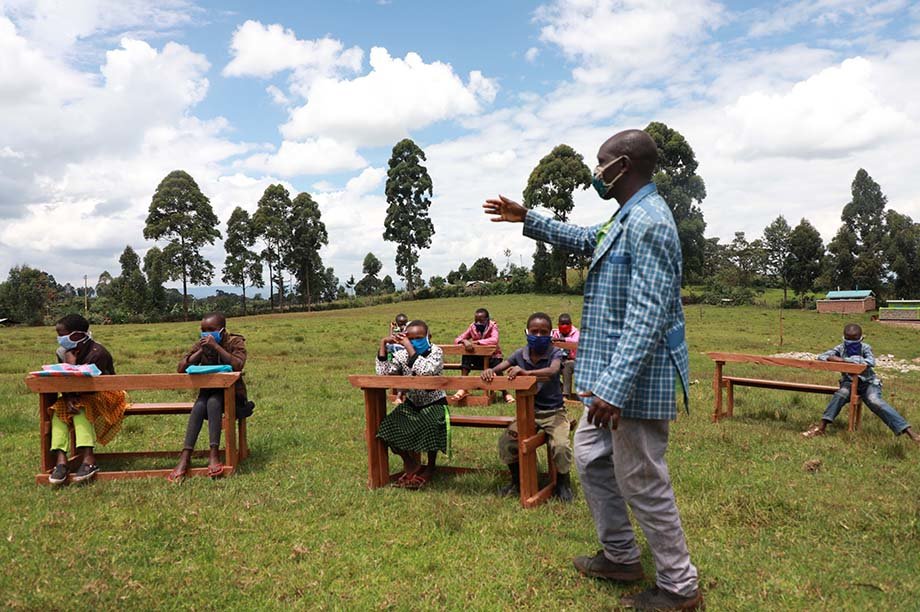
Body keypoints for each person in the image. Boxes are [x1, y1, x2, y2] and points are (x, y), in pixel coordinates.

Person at [484, 129, 701, 610]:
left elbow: (649, 313)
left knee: (643, 477)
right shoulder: (625, 217)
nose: (595, 171)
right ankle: (621, 555)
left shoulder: (651, 223)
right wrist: (530, 219)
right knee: (589, 454)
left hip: (636, 381)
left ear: (622, 166)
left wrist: (616, 390)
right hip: (609, 378)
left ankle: (680, 588)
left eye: (600, 163)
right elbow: (587, 238)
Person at [482, 312, 574, 502]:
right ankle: (517, 482)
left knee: (561, 446)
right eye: (534, 331)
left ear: (550, 334)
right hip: (528, 413)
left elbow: (552, 371)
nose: (538, 336)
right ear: (527, 332)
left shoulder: (555, 353)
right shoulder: (520, 354)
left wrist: (526, 372)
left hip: (553, 413)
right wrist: (490, 371)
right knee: (507, 442)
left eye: (543, 332)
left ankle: (563, 483)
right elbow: (502, 366)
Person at [168, 312, 252, 482]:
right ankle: (185, 456)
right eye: (203, 330)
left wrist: (217, 347)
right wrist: (200, 351)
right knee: (200, 405)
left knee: (213, 402)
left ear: (221, 331)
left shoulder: (235, 342)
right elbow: (181, 368)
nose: (206, 334)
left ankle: (214, 454)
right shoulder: (201, 345)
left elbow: (237, 365)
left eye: (211, 330)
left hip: (234, 398)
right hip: (206, 396)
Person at [803, 323, 920, 443]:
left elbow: (870, 362)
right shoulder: (840, 348)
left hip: (868, 384)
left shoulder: (865, 348)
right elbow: (822, 356)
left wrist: (845, 360)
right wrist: (831, 358)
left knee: (875, 401)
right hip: (849, 382)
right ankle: (821, 427)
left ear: (861, 338)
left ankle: (909, 432)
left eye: (854, 339)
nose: (850, 342)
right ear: (843, 337)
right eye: (848, 339)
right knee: (841, 394)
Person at [48, 314, 126, 485]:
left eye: (63, 334)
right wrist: (68, 397)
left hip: (106, 394)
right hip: (75, 395)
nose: (60, 339)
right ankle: (61, 461)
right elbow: (63, 380)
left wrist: (72, 366)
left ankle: (89, 459)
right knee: (58, 408)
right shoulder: (61, 352)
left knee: (80, 406)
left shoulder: (98, 353)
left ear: (76, 335)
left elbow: (91, 386)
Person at [375, 320, 447, 489]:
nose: (414, 341)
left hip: (434, 402)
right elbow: (383, 373)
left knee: (431, 424)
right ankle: (411, 463)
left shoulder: (435, 352)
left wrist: (408, 346)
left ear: (429, 337)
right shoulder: (402, 355)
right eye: (410, 337)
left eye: (419, 337)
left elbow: (426, 371)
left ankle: (430, 467)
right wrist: (383, 344)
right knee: (387, 426)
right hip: (413, 403)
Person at [452, 308, 514, 403]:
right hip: (478, 358)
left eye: (481, 321)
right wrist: (464, 341)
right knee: (466, 355)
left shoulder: (493, 326)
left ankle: (505, 392)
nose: (478, 323)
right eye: (476, 320)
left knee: (497, 367)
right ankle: (463, 387)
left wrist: (478, 342)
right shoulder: (472, 327)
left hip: (493, 357)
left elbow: (494, 340)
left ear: (487, 319)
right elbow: (457, 339)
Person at [552, 313, 580, 399]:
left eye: (567, 324)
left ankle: (566, 395)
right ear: (558, 324)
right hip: (559, 359)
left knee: (567, 366)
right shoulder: (556, 333)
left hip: (573, 360)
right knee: (549, 366)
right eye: (562, 324)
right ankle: (559, 388)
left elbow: (574, 341)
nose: (564, 326)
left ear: (571, 324)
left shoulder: (575, 332)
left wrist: (560, 340)